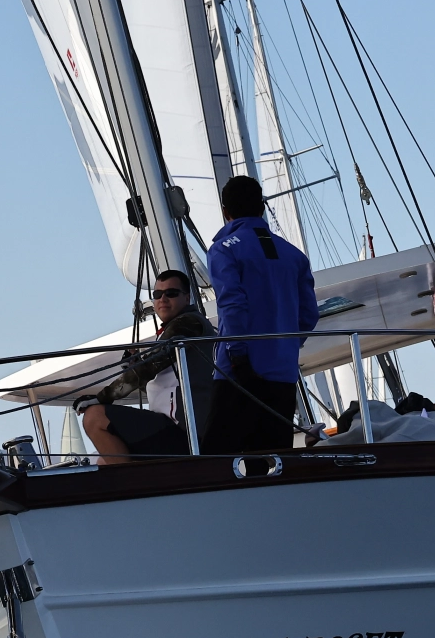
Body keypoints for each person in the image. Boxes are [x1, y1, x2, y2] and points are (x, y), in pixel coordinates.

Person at [201, 175, 319, 453]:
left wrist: (238, 353)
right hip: (283, 371)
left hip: (239, 371)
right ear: (262, 207)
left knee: (214, 461)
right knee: (273, 459)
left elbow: (232, 303)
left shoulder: (222, 251)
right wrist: (285, 345)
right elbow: (308, 315)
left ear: (225, 211)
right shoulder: (294, 255)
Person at [76, 269, 213, 464]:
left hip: (185, 433)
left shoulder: (188, 323)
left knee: (94, 418)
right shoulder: (173, 330)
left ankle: (130, 484)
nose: (163, 299)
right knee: (103, 460)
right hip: (172, 429)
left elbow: (149, 367)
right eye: (157, 294)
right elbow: (158, 384)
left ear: (187, 297)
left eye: (171, 293)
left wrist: (102, 398)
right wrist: (132, 365)